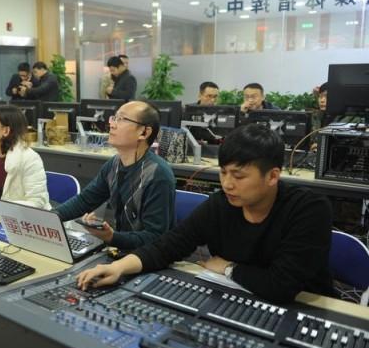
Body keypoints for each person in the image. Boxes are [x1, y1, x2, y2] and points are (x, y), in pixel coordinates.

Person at [77, 123, 334, 303]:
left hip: (306, 308)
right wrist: (119, 267)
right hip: (237, 297)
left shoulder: (308, 209)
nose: (227, 184)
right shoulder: (223, 203)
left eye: (239, 176)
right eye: (223, 172)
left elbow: (281, 286)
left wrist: (228, 268)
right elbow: (169, 245)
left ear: (273, 176)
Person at [56, 101, 176, 250]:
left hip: (147, 256)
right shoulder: (114, 164)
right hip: (120, 250)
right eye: (114, 118)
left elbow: (155, 237)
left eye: (122, 119)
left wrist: (111, 237)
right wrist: (50, 217)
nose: (112, 124)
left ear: (144, 132)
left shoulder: (158, 175)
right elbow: (85, 201)